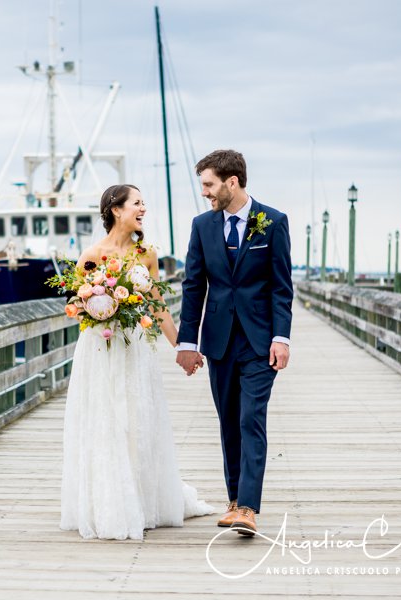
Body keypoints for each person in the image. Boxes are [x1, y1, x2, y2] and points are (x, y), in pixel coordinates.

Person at [60, 183, 215, 540]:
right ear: (117, 209)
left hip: (134, 346)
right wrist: (98, 306)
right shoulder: (92, 254)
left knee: (137, 419)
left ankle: (141, 500)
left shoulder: (147, 253)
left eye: (144, 203)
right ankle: (108, 502)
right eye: (137, 203)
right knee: (105, 419)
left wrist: (183, 347)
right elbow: (73, 306)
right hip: (99, 348)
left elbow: (158, 305)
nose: (143, 209)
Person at [175, 150, 293, 537]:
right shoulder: (202, 226)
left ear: (232, 181)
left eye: (209, 185)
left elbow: (281, 287)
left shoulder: (273, 222)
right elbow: (194, 287)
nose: (205, 193)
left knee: (250, 419)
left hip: (260, 342)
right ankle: (233, 499)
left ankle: (247, 507)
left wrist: (281, 338)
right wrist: (186, 343)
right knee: (229, 421)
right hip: (219, 341)